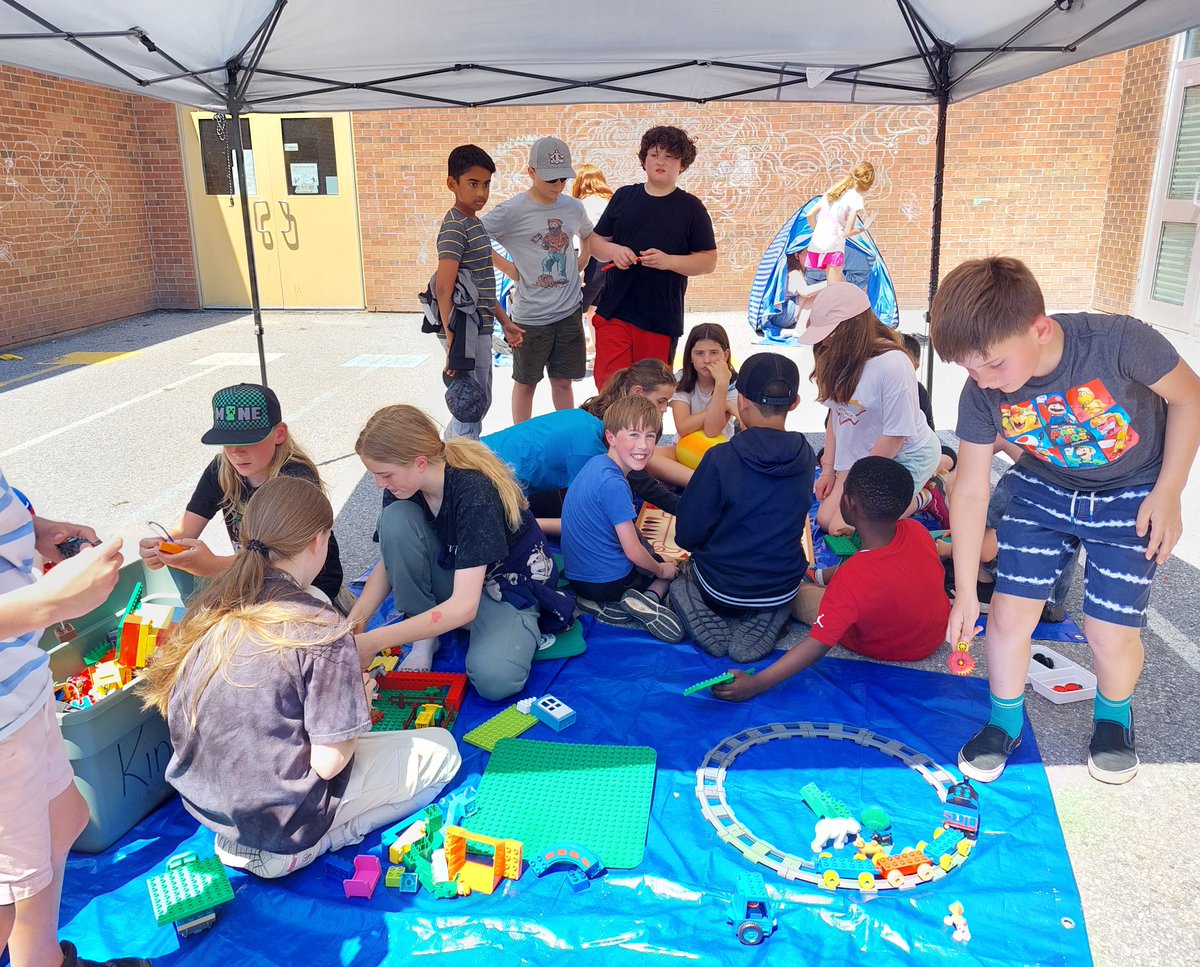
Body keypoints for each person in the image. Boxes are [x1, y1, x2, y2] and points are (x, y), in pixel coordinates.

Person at [930, 255, 1200, 785]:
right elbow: (969, 489)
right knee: (1007, 616)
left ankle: (1113, 716)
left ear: (1040, 329)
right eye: (969, 369)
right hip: (1043, 488)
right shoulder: (982, 390)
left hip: (1131, 490)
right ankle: (1003, 721)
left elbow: (1190, 398)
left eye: (993, 364)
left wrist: (1170, 493)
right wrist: (964, 591)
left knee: (1108, 631)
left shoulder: (1120, 341)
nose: (983, 382)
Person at [141, 476, 460, 880]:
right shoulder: (321, 628)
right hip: (282, 830)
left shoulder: (214, 604)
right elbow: (328, 762)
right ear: (318, 541)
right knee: (443, 750)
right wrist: (353, 707)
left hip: (214, 813)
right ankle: (318, 844)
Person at [0, 471, 145, 967]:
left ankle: (42, 959)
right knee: (9, 895)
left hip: (21, 681)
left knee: (65, 819)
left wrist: (31, 528)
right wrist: (46, 604)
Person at [350, 406, 575, 699]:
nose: (381, 484)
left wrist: (373, 641)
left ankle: (491, 625)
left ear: (419, 462)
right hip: (461, 573)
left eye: (384, 475)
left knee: (496, 680)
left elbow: (465, 605)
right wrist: (356, 621)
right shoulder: (402, 485)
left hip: (506, 587)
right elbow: (390, 559)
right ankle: (426, 638)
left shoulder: (474, 493)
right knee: (395, 519)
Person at [713, 456, 950, 701]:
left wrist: (758, 683)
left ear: (849, 503)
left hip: (886, 645)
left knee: (794, 590)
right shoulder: (917, 531)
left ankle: (780, 603)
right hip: (932, 635)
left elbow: (817, 645)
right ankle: (816, 575)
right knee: (857, 579)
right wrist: (857, 535)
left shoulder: (853, 577)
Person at [137, 383, 350, 613]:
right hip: (252, 579)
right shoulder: (223, 468)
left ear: (279, 433)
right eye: (227, 442)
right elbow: (186, 529)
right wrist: (163, 547)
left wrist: (211, 566)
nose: (237, 451)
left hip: (308, 586)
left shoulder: (295, 479)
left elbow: (278, 562)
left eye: (249, 440)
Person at [669, 353, 816, 662]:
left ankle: (690, 594)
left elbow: (687, 533)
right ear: (795, 402)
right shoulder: (805, 454)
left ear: (743, 400)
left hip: (721, 588)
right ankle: (772, 611)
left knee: (685, 571)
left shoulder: (722, 458)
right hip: (782, 584)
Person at [802, 283, 944, 536]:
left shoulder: (893, 365)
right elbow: (836, 417)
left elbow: (895, 435)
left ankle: (928, 495)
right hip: (865, 454)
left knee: (845, 527)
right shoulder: (836, 354)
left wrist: (858, 486)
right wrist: (828, 471)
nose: (824, 341)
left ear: (853, 328)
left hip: (908, 454)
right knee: (825, 519)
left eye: (831, 333)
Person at [588, 126, 718, 390]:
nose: (661, 161)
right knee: (610, 389)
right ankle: (609, 433)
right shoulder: (624, 196)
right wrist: (614, 252)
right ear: (644, 160)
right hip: (615, 309)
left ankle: (644, 434)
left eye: (670, 156)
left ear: (682, 165)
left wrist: (669, 261)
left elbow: (708, 260)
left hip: (660, 316)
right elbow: (595, 243)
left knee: (652, 392)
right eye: (654, 154)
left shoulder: (691, 208)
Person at [483, 359, 681, 517]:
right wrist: (687, 510)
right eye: (661, 402)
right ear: (637, 392)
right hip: (487, 480)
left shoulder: (588, 420)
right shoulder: (590, 444)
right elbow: (640, 483)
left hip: (485, 460)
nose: (664, 409)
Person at [485, 137, 593, 424]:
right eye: (550, 178)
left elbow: (587, 233)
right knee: (526, 383)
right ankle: (522, 437)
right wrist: (508, 268)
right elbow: (475, 235)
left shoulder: (573, 207)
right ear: (531, 172)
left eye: (562, 178)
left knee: (563, 382)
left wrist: (584, 260)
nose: (557, 185)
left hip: (569, 311)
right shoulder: (513, 210)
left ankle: (567, 433)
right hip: (530, 316)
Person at [560, 396, 685, 642]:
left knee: (646, 547)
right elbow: (633, 552)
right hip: (609, 582)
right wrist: (662, 568)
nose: (644, 445)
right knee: (672, 573)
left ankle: (597, 602)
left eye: (650, 436)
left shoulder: (597, 463)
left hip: (578, 576)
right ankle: (649, 599)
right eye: (634, 435)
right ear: (611, 437)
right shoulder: (614, 484)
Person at [433, 144, 524, 439]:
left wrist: (506, 322)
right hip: (464, 330)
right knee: (470, 404)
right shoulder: (455, 226)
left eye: (486, 184)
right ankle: (462, 466)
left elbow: (484, 283)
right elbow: (444, 287)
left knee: (479, 401)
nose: (481, 192)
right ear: (452, 183)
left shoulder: (475, 224)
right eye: (473, 184)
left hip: (480, 327)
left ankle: (453, 454)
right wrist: (452, 339)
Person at [805, 161, 874, 286]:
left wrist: (819, 231)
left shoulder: (833, 190)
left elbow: (809, 214)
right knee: (833, 288)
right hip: (834, 244)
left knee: (841, 283)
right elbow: (847, 232)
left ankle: (853, 301)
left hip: (817, 243)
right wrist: (862, 229)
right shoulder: (855, 197)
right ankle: (831, 305)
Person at [670, 323, 740, 441]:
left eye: (713, 353)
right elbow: (682, 427)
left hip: (717, 449)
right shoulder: (681, 378)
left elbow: (711, 431)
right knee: (651, 454)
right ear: (690, 356)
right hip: (684, 447)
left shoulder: (733, 383)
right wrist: (726, 406)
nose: (706, 360)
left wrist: (721, 385)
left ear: (725, 355)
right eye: (699, 353)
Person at [572, 163, 614, 348]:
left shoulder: (583, 204)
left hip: (592, 260)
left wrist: (578, 266)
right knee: (595, 309)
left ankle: (577, 353)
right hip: (611, 260)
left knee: (578, 309)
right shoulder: (610, 201)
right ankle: (598, 349)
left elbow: (579, 235)